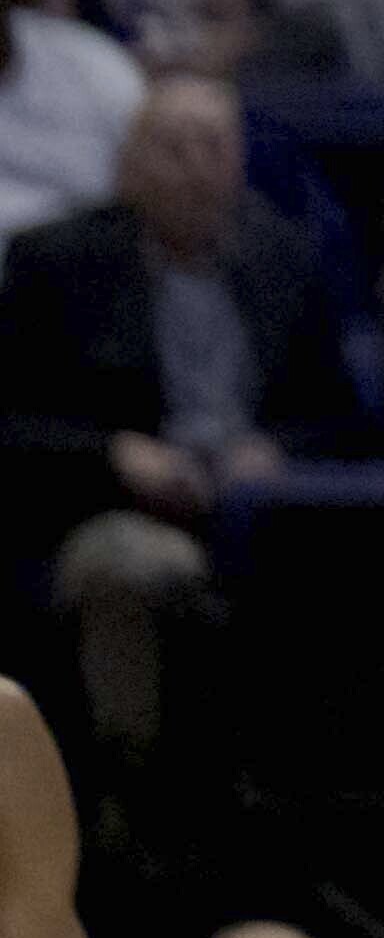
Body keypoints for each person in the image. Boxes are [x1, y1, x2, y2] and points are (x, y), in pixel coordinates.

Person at [0, 74, 351, 785]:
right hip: (110, 510)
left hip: (264, 513)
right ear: (126, 164)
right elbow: (11, 423)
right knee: (134, 569)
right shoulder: (53, 262)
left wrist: (275, 449)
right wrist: (113, 455)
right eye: (173, 148)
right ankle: (136, 807)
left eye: (213, 147)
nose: (195, 168)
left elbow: (347, 415)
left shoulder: (287, 258)